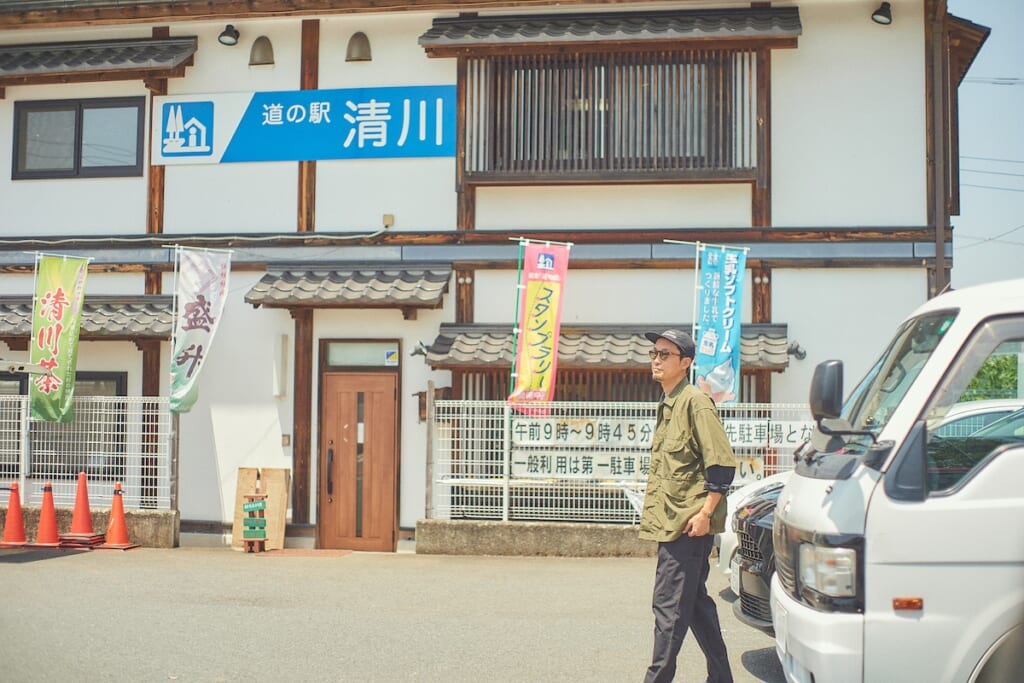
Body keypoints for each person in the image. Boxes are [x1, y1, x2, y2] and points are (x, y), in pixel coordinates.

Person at [640, 329, 737, 683]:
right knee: (695, 605)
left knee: (668, 608)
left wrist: (705, 513)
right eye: (654, 353)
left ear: (686, 362)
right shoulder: (669, 403)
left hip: (689, 526)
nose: (656, 359)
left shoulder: (696, 402)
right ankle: (721, 678)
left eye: (665, 354)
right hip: (672, 523)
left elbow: (721, 465)